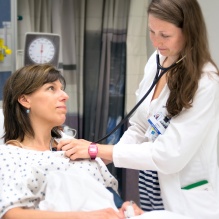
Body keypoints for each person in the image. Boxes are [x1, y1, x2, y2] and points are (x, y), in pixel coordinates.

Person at [56, 0, 219, 218]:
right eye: (151, 31)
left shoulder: (206, 81)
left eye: (165, 35)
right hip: (151, 184)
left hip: (186, 195)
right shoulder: (157, 61)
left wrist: (98, 150)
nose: (156, 41)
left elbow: (170, 155)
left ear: (188, 31)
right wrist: (105, 159)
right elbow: (141, 125)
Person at [0, 64, 144, 219]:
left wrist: (124, 207)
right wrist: (86, 217)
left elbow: (107, 194)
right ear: (25, 99)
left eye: (61, 88)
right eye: (51, 88)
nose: (64, 95)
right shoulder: (10, 155)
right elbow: (11, 214)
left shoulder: (76, 148)